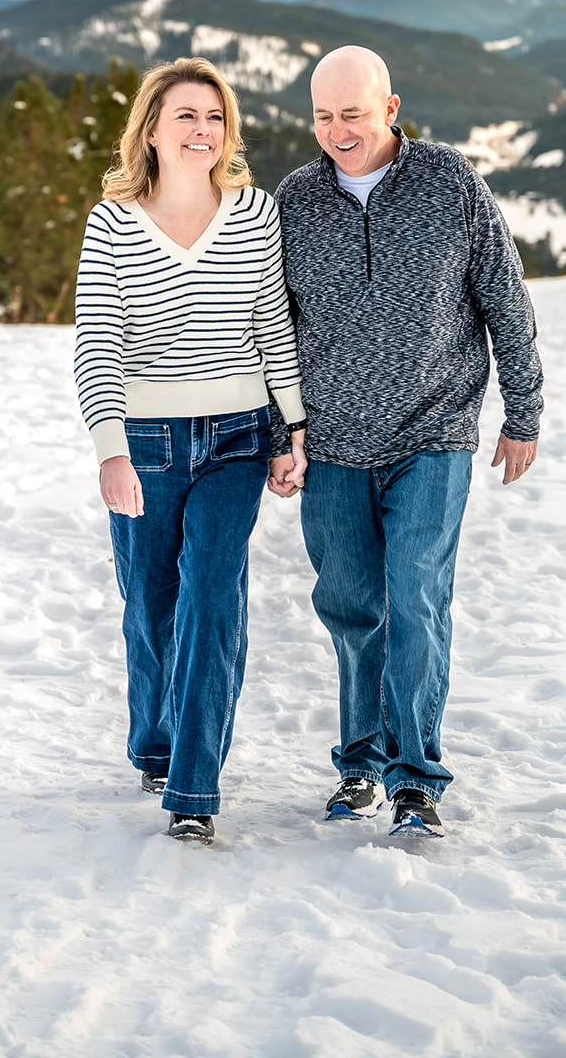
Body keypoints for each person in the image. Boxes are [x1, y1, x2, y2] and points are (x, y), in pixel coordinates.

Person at [267, 45, 542, 838]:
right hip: (332, 445)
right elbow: (272, 328)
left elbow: (504, 297)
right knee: (351, 606)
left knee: (416, 598)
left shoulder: (448, 182)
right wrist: (281, 433)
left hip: (433, 431)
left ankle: (416, 778)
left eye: (352, 114)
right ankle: (360, 763)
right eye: (322, 117)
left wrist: (522, 412)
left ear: (389, 109)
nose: (337, 131)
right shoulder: (295, 200)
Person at [74, 56, 306, 845]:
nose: (202, 130)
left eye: (214, 117)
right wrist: (109, 451)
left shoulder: (255, 213)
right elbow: (97, 343)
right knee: (149, 605)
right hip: (144, 444)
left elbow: (272, 324)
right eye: (185, 115)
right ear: (150, 129)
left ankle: (194, 790)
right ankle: (154, 743)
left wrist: (292, 428)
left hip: (237, 438)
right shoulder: (112, 223)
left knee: (212, 599)